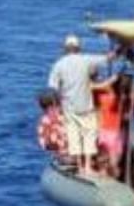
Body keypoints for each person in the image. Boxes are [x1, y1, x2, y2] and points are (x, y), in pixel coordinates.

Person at [47, 34, 109, 173]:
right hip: (86, 106)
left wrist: (57, 108)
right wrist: (119, 51)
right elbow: (107, 59)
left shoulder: (58, 64)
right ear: (78, 48)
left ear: (65, 49)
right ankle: (87, 167)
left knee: (74, 135)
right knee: (89, 134)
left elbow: (53, 88)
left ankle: (80, 167)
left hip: (69, 107)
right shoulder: (86, 60)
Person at [35, 89, 69, 165]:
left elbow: (44, 144)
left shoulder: (44, 121)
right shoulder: (53, 120)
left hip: (62, 153)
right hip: (64, 154)